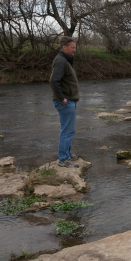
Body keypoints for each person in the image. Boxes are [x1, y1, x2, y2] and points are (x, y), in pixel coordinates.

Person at [50, 36, 80, 168]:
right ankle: (63, 159)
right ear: (64, 47)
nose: (74, 50)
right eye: (72, 48)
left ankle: (67, 153)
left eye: (75, 47)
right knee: (67, 131)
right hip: (65, 102)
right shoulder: (61, 61)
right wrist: (61, 98)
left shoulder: (65, 59)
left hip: (69, 101)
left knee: (69, 130)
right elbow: (53, 80)